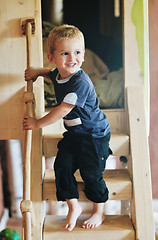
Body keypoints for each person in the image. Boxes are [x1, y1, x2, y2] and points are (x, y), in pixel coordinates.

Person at [23, 24, 112, 232]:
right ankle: (73, 206)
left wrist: (37, 123)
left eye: (78, 52)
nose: (73, 58)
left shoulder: (81, 82)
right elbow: (52, 74)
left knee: (92, 174)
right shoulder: (59, 73)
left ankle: (99, 210)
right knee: (61, 167)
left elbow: (62, 110)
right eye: (65, 53)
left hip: (94, 135)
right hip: (75, 134)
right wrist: (38, 72)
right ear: (52, 57)